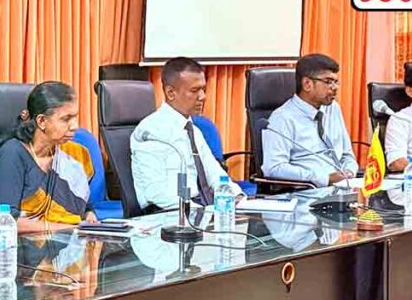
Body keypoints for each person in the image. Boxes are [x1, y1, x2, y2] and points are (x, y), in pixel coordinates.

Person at [131, 57, 243, 211]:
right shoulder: (151, 132)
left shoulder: (193, 129)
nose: (203, 96)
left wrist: (237, 197)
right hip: (169, 213)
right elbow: (156, 193)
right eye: (195, 90)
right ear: (171, 93)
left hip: (200, 209)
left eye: (203, 89)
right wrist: (200, 213)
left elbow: (215, 174)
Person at [0, 81, 97, 233]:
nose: (75, 126)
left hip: (72, 240)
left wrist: (89, 215)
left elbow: (82, 204)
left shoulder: (73, 153)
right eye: (66, 119)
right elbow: (8, 221)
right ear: (41, 121)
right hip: (24, 244)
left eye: (75, 117)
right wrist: (71, 228)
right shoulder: (12, 153)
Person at [262, 53, 358, 187]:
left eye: (336, 82)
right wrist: (323, 178)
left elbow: (347, 155)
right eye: (328, 82)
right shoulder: (283, 118)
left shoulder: (333, 109)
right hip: (306, 190)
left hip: (342, 187)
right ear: (307, 84)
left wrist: (349, 171)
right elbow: (274, 168)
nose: (335, 87)